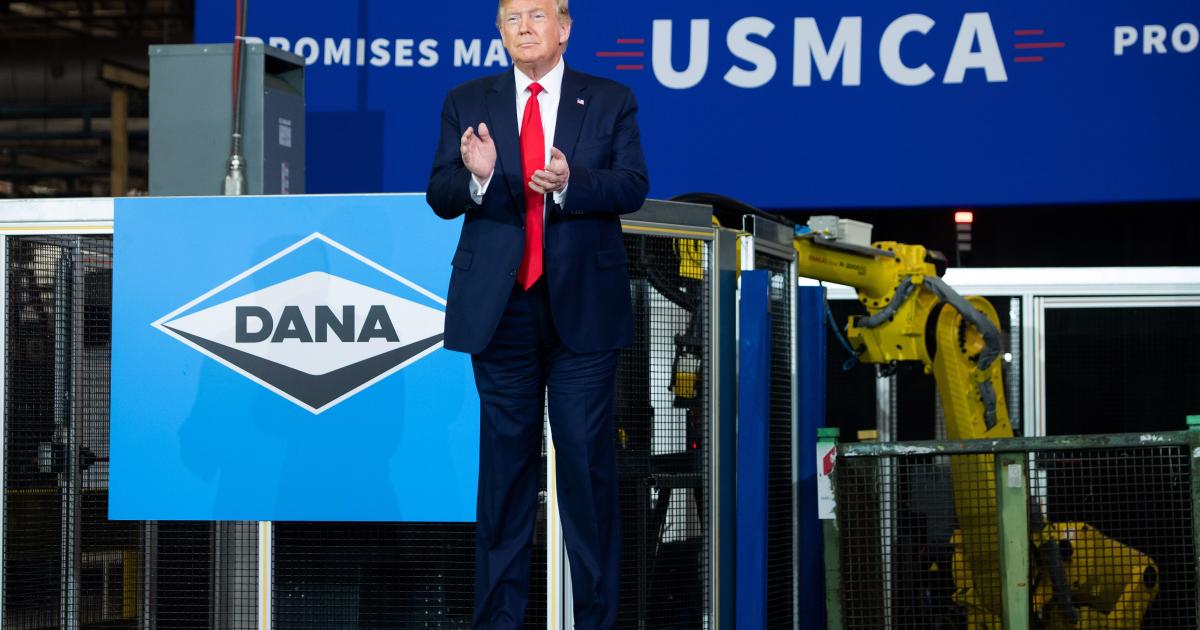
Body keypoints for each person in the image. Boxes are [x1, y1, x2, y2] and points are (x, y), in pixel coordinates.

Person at [426, 0, 649, 627]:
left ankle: (598, 620)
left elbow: (632, 185)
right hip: (501, 313)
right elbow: (440, 193)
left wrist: (572, 183)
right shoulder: (467, 100)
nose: (525, 28)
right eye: (512, 18)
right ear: (500, 31)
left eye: (538, 15)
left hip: (583, 312)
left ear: (565, 28)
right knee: (505, 478)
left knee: (585, 470)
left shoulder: (609, 99)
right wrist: (476, 178)